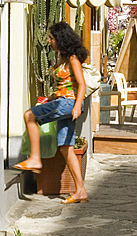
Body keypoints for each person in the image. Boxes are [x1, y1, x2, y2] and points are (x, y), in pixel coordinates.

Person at [14, 22, 90, 203]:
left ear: (60, 39)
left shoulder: (72, 59)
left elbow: (81, 85)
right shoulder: (61, 58)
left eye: (51, 38)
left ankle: (34, 158)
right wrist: (50, 97)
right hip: (62, 101)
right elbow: (64, 85)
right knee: (66, 147)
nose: (49, 41)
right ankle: (80, 191)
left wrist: (77, 106)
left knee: (29, 115)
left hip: (68, 104)